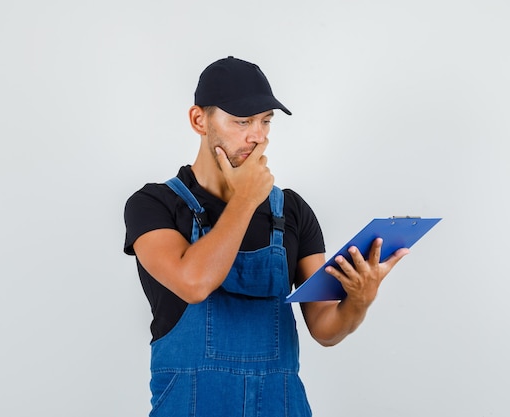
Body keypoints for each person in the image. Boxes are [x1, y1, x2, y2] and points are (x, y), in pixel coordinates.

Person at [123, 56, 409, 417]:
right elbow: (193, 282)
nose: (257, 135)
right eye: (241, 121)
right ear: (199, 120)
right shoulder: (153, 204)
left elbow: (324, 326)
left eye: (265, 121)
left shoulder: (292, 212)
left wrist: (358, 302)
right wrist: (244, 198)